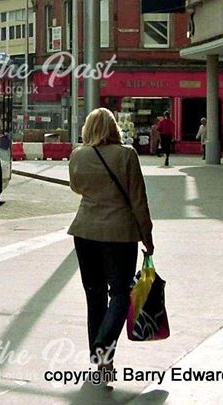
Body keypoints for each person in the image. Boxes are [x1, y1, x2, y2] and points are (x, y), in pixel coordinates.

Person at [68, 107, 155, 385]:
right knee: (120, 293)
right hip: (119, 235)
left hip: (84, 232)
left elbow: (76, 187)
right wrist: (147, 236)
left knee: (93, 295)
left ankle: (102, 361)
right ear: (114, 128)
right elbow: (139, 200)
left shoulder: (78, 155)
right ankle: (104, 345)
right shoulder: (127, 155)